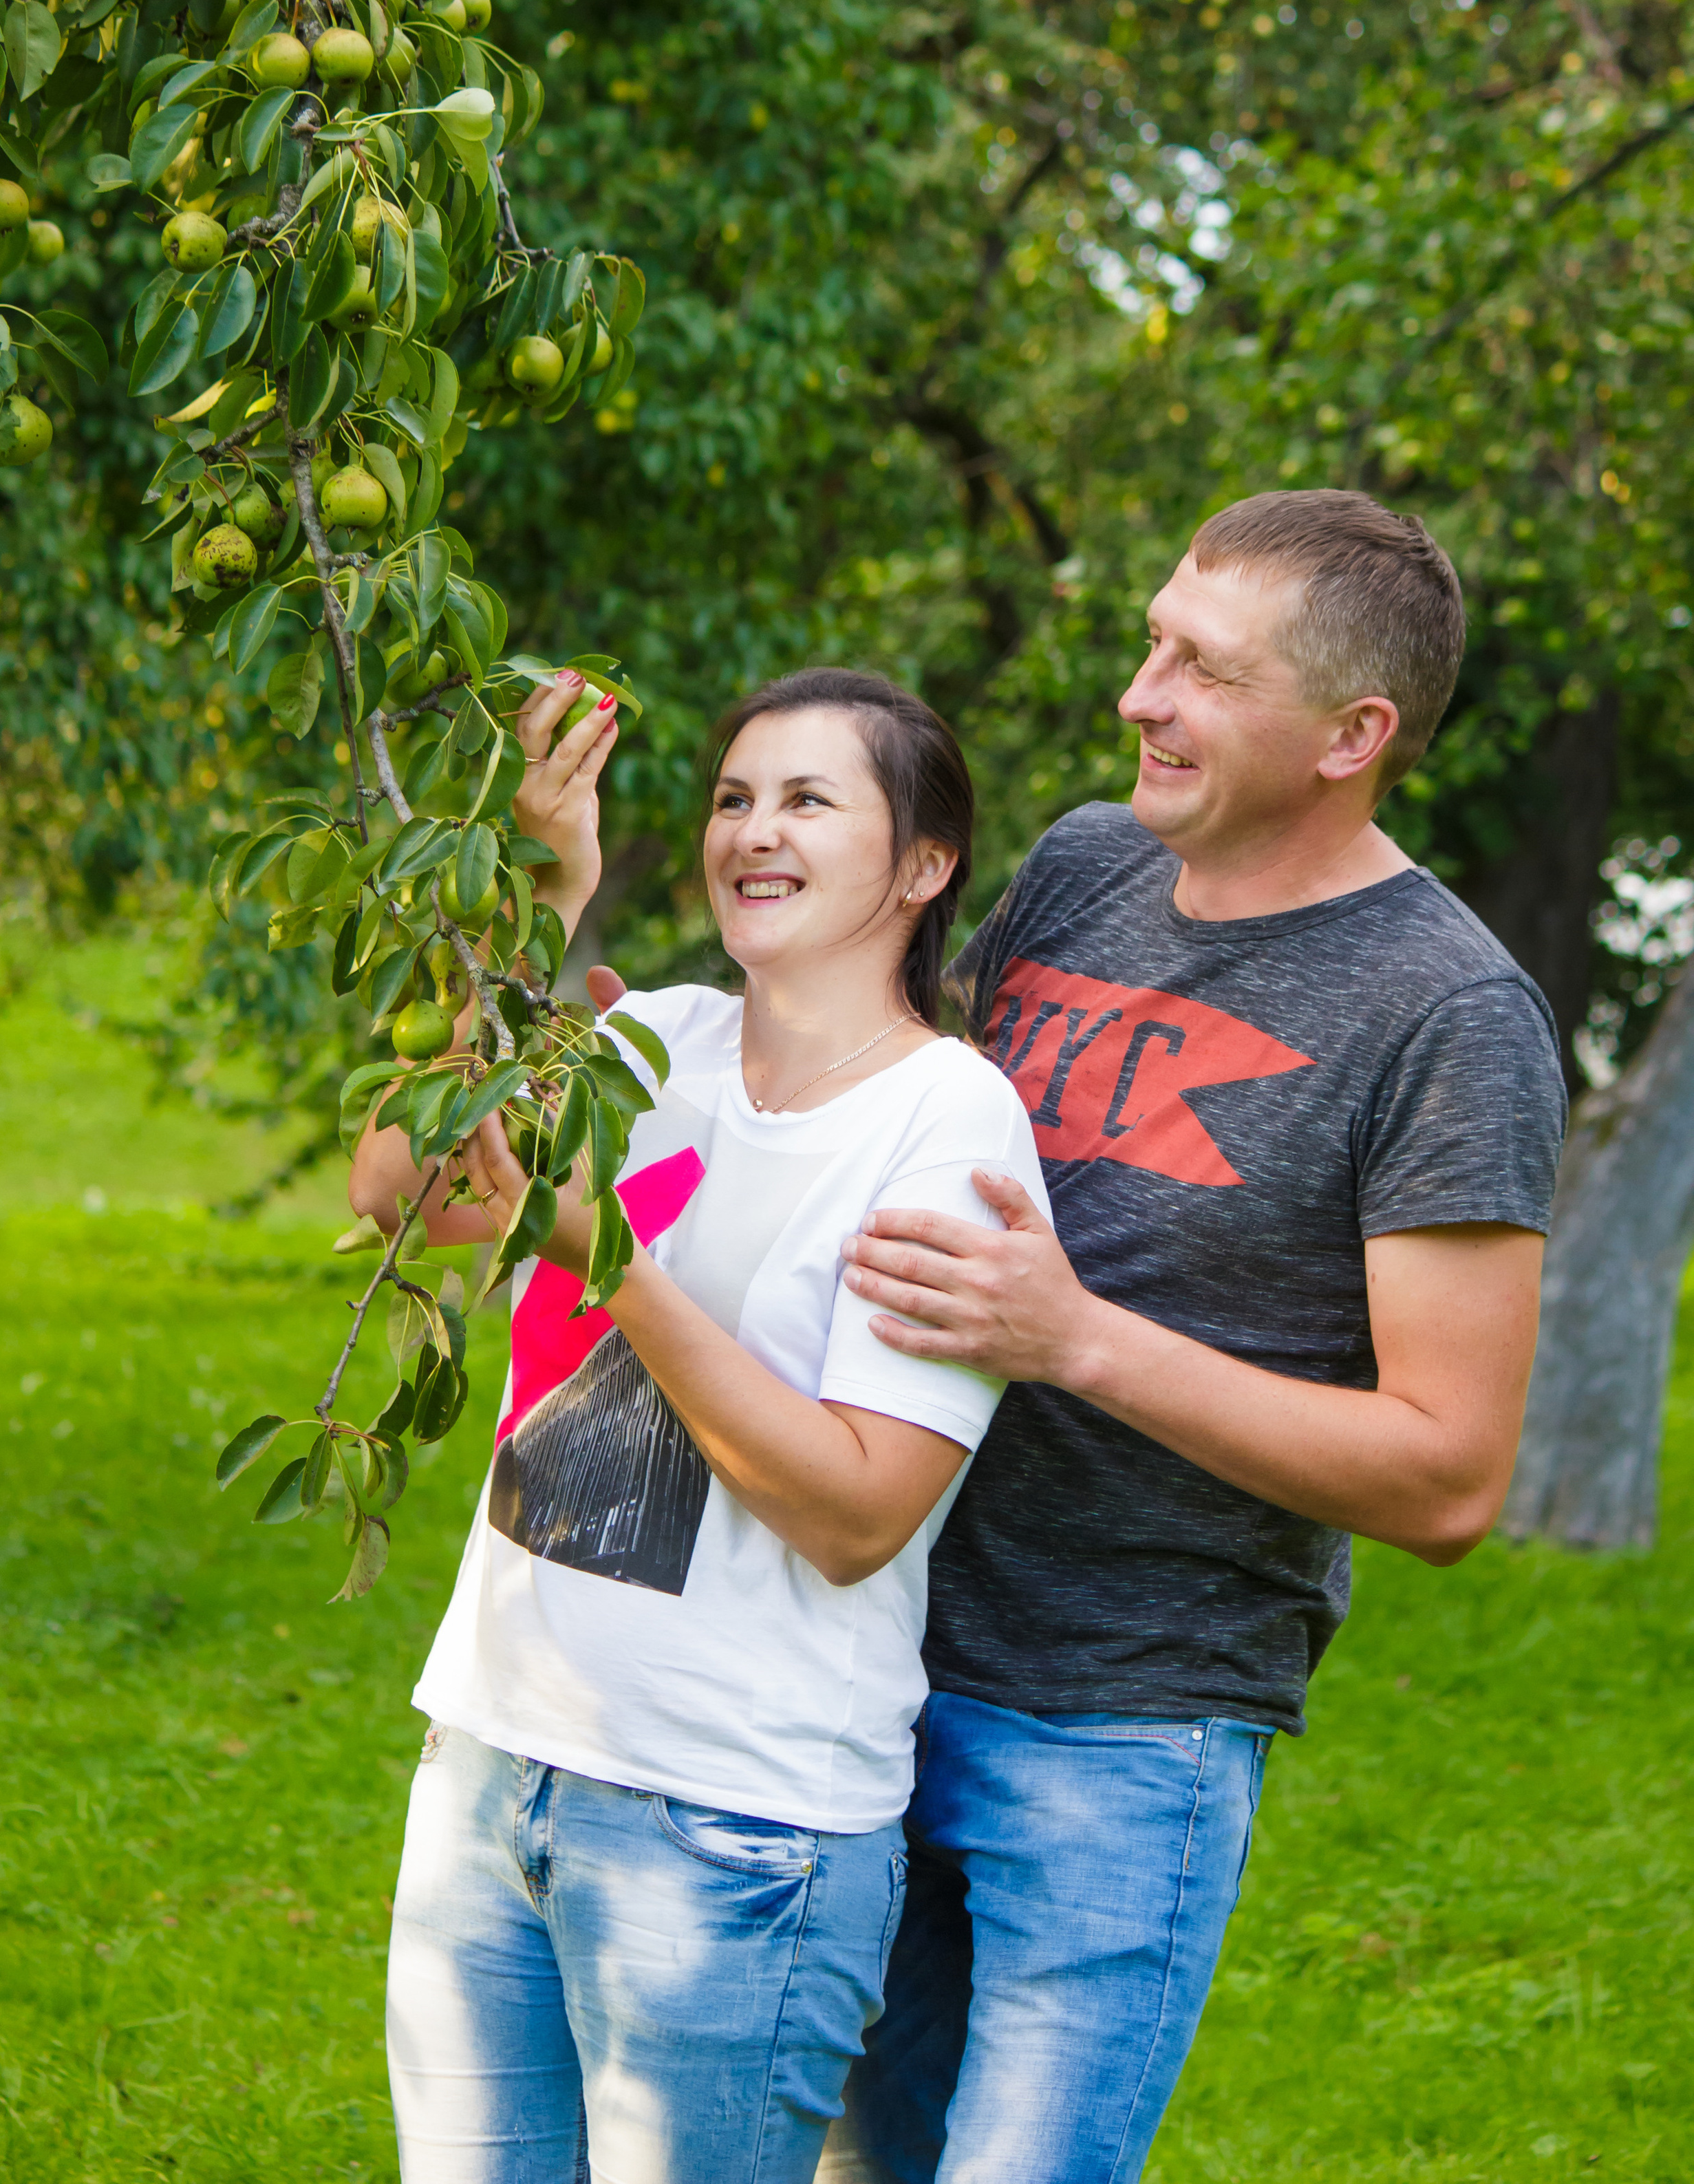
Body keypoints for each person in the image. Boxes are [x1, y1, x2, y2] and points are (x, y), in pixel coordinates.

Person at [817, 489, 1569, 2182]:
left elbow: (1446, 1477)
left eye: (1203, 671)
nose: (1137, 696)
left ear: (1348, 735)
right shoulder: (1084, 867)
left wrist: (1073, 1339)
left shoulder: (1447, 1018)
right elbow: (868, 1093)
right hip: (871, 1654)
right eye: (1153, 643)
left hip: (1120, 1731)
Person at [349, 666, 1051, 2184]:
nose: (752, 830)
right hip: (494, 1765)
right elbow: (399, 1188)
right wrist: (539, 899)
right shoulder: (646, 1043)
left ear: (924, 866)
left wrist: (606, 1259)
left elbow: (858, 1513)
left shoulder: (946, 1124)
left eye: (807, 799)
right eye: (734, 797)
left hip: (732, 1830)